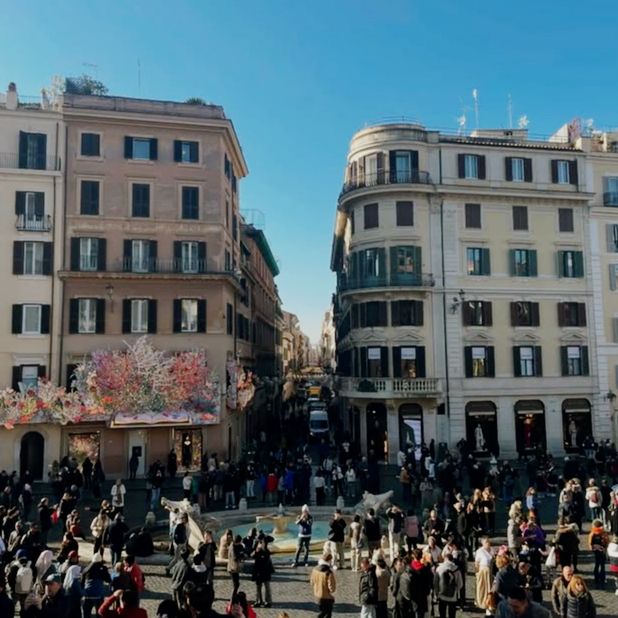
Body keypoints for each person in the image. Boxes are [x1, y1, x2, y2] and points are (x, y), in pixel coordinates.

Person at [82, 553, 112, 618]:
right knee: (100, 612)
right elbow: (108, 580)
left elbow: (82, 580)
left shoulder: (87, 569)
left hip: (88, 594)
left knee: (86, 613)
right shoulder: (102, 569)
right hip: (99, 595)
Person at [434, 553, 463, 618]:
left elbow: (435, 583)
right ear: (452, 560)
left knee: (442, 614)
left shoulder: (439, 568)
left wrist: (437, 593)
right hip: (453, 596)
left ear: (445, 559)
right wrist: (455, 591)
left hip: (442, 595)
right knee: (452, 614)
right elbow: (460, 584)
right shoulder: (457, 569)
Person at [310, 552, 336, 618]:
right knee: (327, 613)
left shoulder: (315, 569)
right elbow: (332, 588)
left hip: (317, 595)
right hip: (326, 597)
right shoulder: (328, 572)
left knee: (323, 611)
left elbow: (312, 582)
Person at [251, 538, 274, 608]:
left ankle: (263, 601)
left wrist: (257, 549)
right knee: (263, 587)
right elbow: (252, 555)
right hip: (263, 571)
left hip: (262, 571)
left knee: (262, 587)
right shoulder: (264, 550)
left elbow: (253, 556)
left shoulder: (264, 551)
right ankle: (263, 601)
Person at [588, 518, 609, 589]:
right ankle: (602, 579)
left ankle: (596, 579)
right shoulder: (604, 533)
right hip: (602, 551)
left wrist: (592, 549)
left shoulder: (592, 533)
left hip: (595, 551)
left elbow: (590, 543)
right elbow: (607, 542)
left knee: (596, 565)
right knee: (602, 566)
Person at [475, 537, 493, 614]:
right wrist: (477, 573)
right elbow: (476, 563)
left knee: (489, 588)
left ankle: (489, 603)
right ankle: (482, 602)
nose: (488, 543)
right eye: (486, 542)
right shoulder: (479, 551)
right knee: (482, 588)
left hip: (490, 571)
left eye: (488, 542)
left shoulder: (491, 550)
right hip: (483, 571)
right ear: (482, 543)